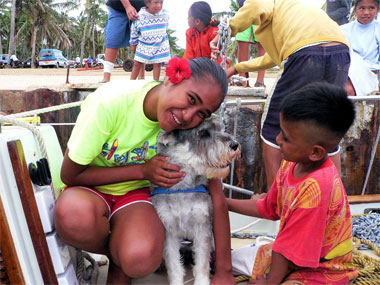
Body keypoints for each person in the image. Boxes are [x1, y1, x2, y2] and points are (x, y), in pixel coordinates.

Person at [54, 57, 235, 284]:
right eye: (190, 99)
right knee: (73, 217)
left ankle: (123, 256)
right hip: (89, 188)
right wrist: (142, 171)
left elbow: (216, 195)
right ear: (170, 79)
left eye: (202, 113)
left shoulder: (192, 127)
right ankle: (117, 253)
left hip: (137, 198)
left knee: (141, 257)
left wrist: (224, 271)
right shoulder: (109, 104)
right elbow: (69, 175)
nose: (188, 116)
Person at [211, 0, 350, 189]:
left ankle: (276, 199)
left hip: (305, 51)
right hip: (340, 50)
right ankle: (334, 198)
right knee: (328, 128)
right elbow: (273, 57)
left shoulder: (269, 3)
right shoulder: (290, 12)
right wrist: (237, 68)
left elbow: (257, 6)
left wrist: (229, 30)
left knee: (272, 128)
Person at [228, 82, 358, 284]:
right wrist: (223, 202)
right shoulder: (291, 163)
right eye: (281, 131)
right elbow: (269, 208)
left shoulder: (317, 188)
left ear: (315, 152)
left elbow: (285, 250)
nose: (278, 139)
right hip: (289, 257)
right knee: (230, 260)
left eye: (286, 138)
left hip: (321, 271)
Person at [101, 0, 146, 83]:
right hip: (117, 7)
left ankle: (141, 77)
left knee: (140, 41)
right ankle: (106, 77)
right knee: (113, 39)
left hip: (141, 9)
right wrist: (128, 6)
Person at [341, 0, 380, 90]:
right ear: (355, 10)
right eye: (362, 8)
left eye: (371, 8)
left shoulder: (378, 28)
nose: (366, 12)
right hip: (350, 76)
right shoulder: (344, 30)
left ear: (377, 10)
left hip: (374, 75)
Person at [129, 0, 170, 81]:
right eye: (156, 2)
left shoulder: (165, 14)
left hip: (160, 43)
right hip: (144, 44)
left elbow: (165, 27)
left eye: (161, 2)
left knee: (157, 64)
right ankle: (131, 83)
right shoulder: (139, 16)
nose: (159, 5)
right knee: (137, 63)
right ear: (147, 3)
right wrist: (133, 44)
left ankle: (155, 82)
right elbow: (134, 31)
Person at [235, 0, 266, 87]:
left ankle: (260, 81)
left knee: (262, 44)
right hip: (243, 9)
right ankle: (242, 78)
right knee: (242, 41)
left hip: (261, 9)